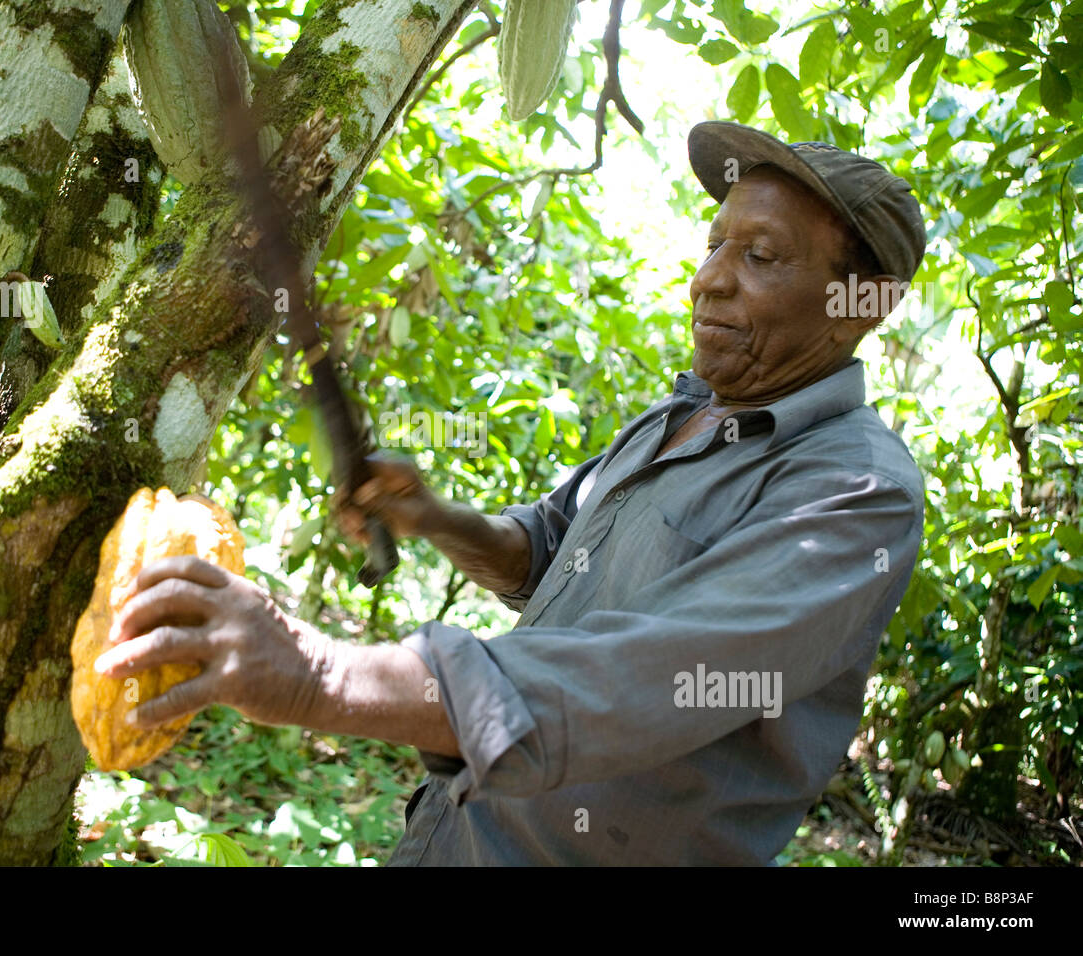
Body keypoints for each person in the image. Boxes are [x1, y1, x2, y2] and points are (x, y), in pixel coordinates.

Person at [93, 121, 928, 865]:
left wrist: (319, 672)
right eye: (715, 245)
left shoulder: (853, 492)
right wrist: (431, 517)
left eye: (761, 257)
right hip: (453, 835)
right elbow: (549, 552)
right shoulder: (679, 416)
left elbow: (660, 675)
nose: (709, 279)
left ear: (862, 305)